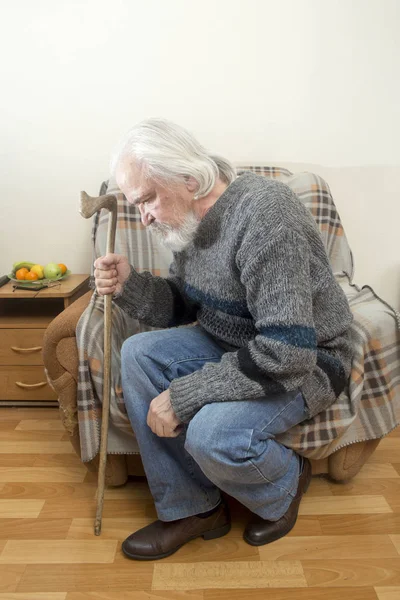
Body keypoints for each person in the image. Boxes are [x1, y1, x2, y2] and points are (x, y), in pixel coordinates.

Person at [94, 118, 353, 561]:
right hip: (236, 344)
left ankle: (285, 484)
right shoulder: (188, 222)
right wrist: (129, 284)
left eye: (149, 199)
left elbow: (287, 352)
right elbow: (182, 303)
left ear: (189, 180)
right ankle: (194, 509)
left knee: (210, 434)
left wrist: (186, 396)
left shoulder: (266, 215)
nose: (146, 216)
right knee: (138, 352)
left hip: (307, 358)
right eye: (138, 204)